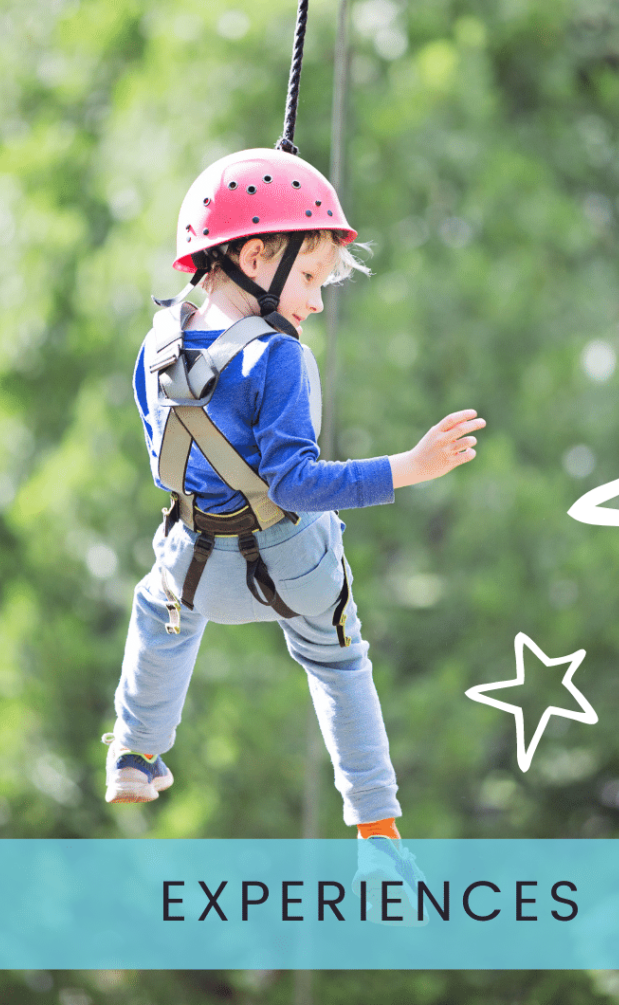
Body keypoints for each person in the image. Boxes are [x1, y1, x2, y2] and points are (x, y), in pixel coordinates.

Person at [103, 149, 484, 863]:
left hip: (195, 567)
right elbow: (293, 485)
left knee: (159, 612)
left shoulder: (155, 346)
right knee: (339, 662)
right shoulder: (279, 358)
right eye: (310, 277)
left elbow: (166, 457)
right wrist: (406, 468)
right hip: (290, 563)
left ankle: (135, 753)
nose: (314, 300)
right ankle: (376, 827)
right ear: (254, 254)